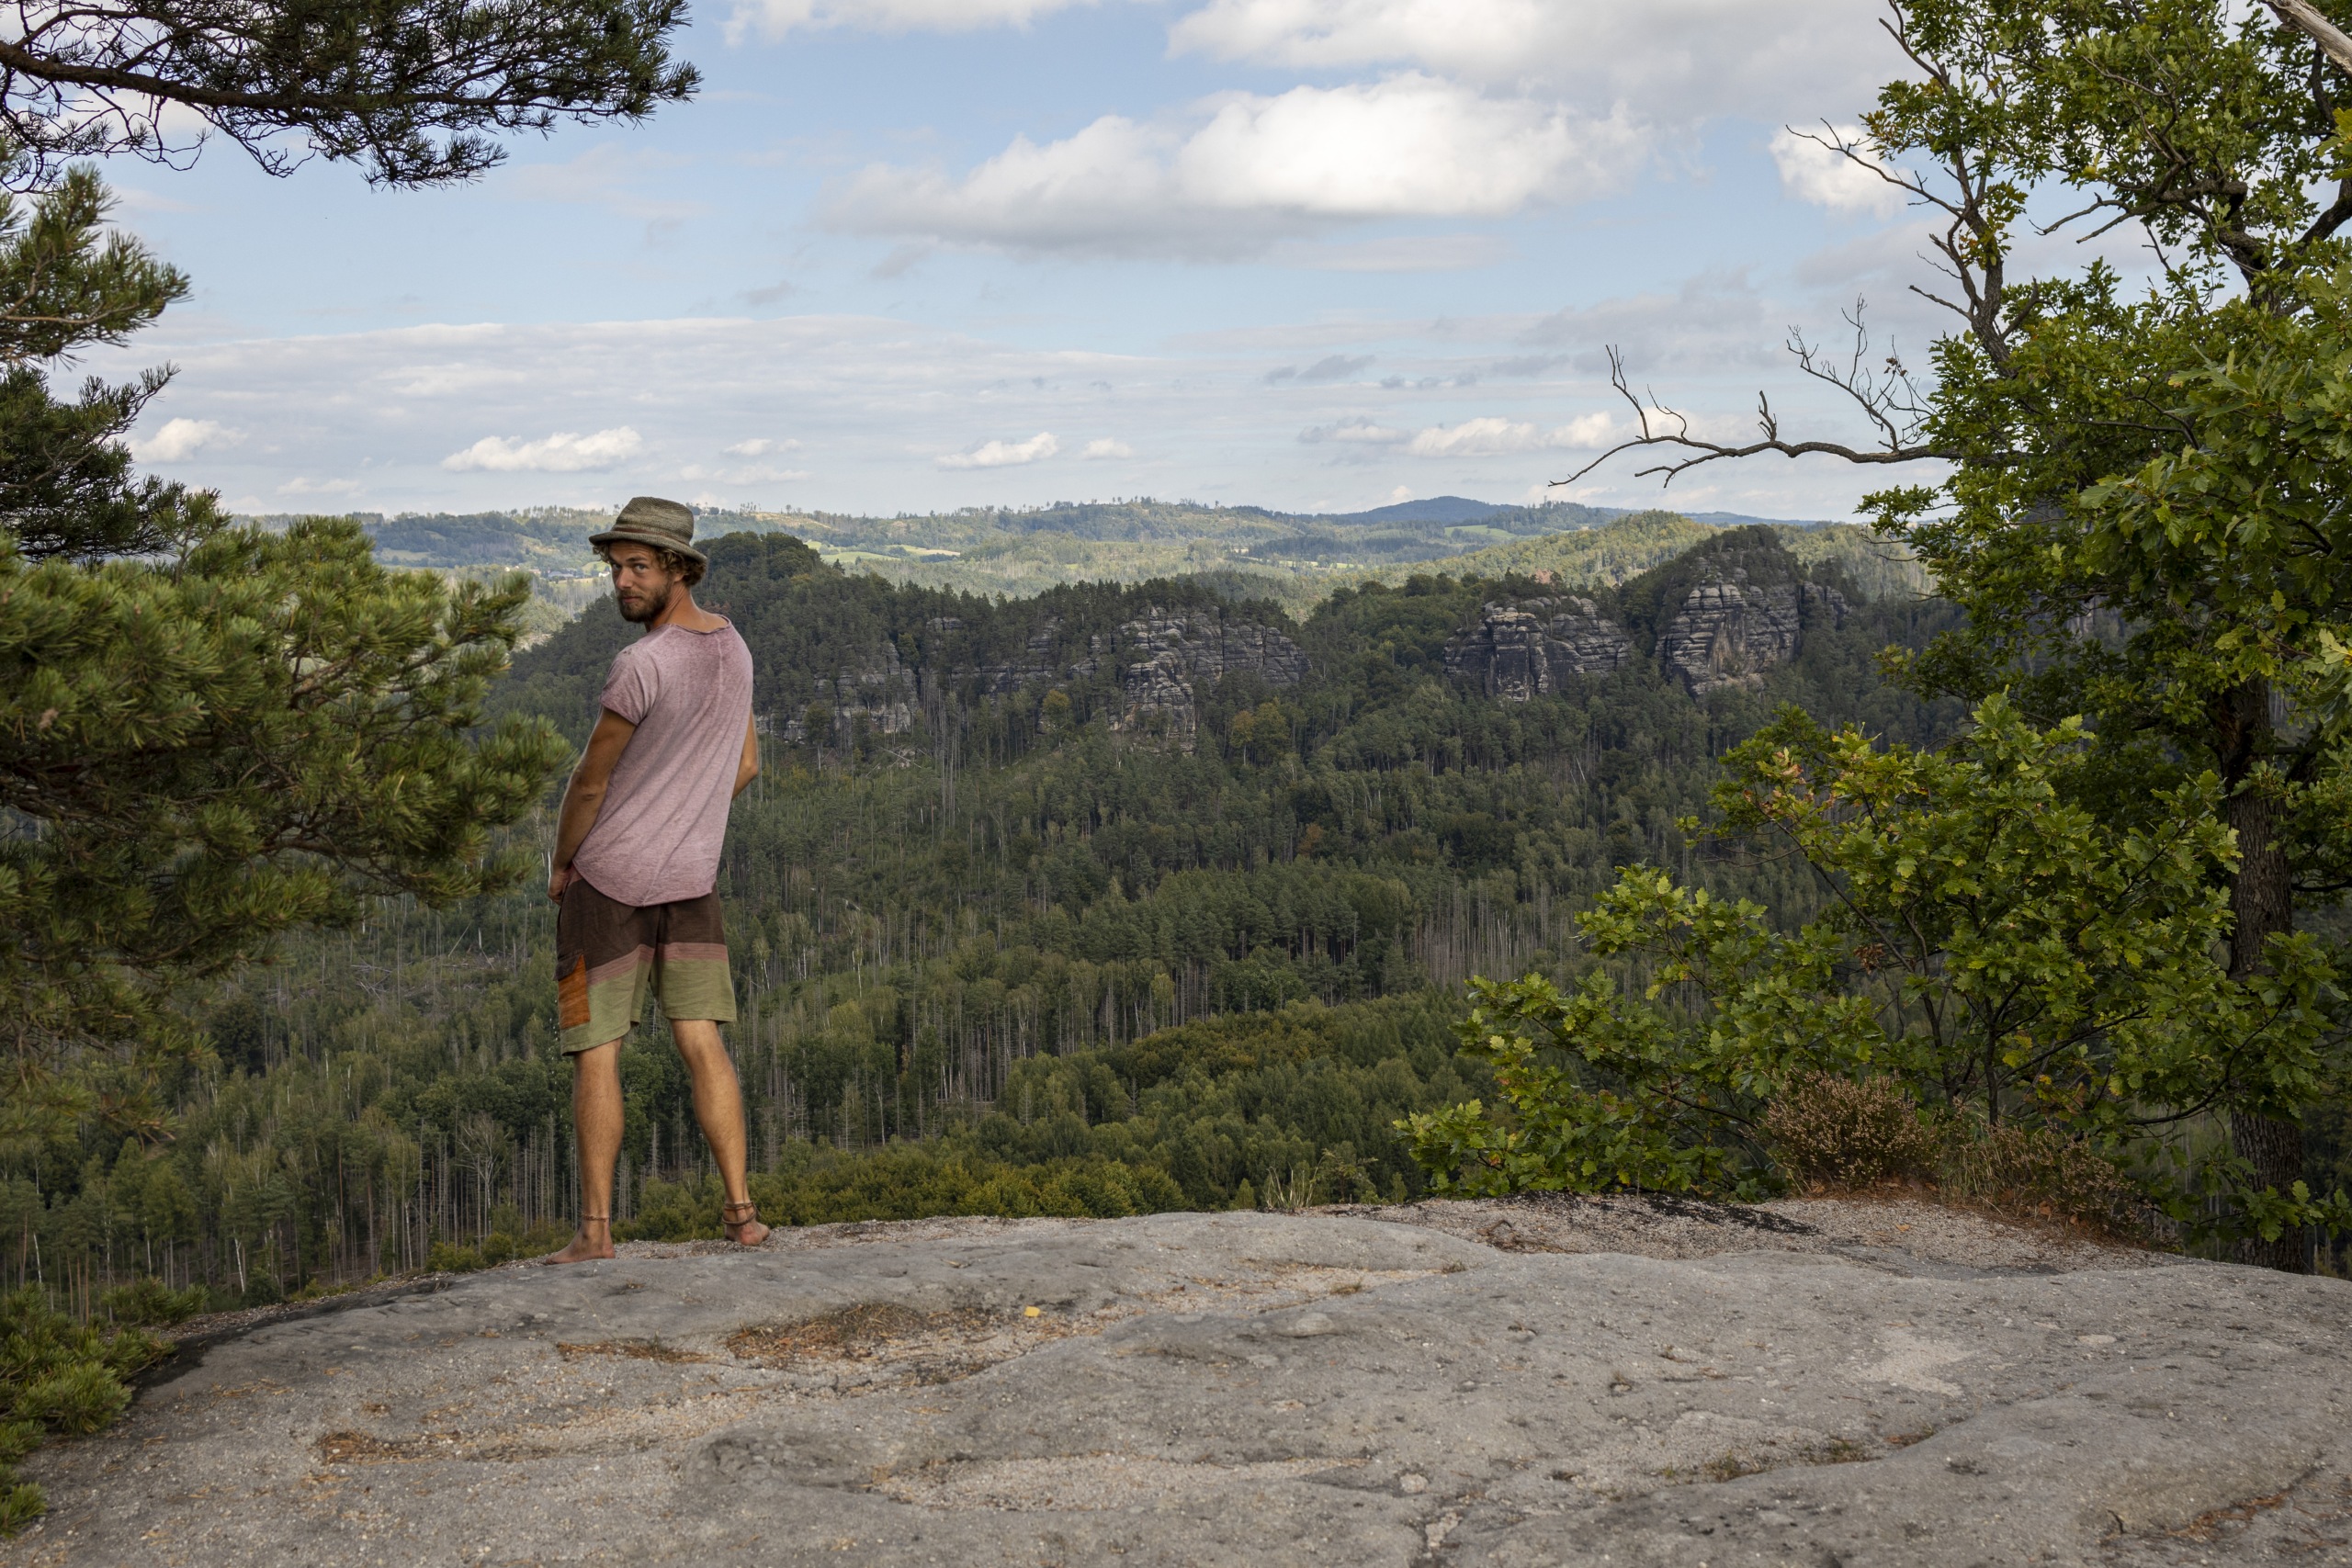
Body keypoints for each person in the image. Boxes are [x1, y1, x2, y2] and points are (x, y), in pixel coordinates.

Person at [543, 496, 769, 1263]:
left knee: (596, 1048)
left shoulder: (640, 664)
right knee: (702, 1041)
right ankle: (742, 1215)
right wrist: (687, 818)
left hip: (605, 886)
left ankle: (595, 1235)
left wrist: (563, 862)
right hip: (691, 880)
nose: (622, 582)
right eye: (615, 567)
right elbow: (745, 765)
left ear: (679, 568)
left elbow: (588, 783)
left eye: (638, 567)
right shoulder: (735, 650)